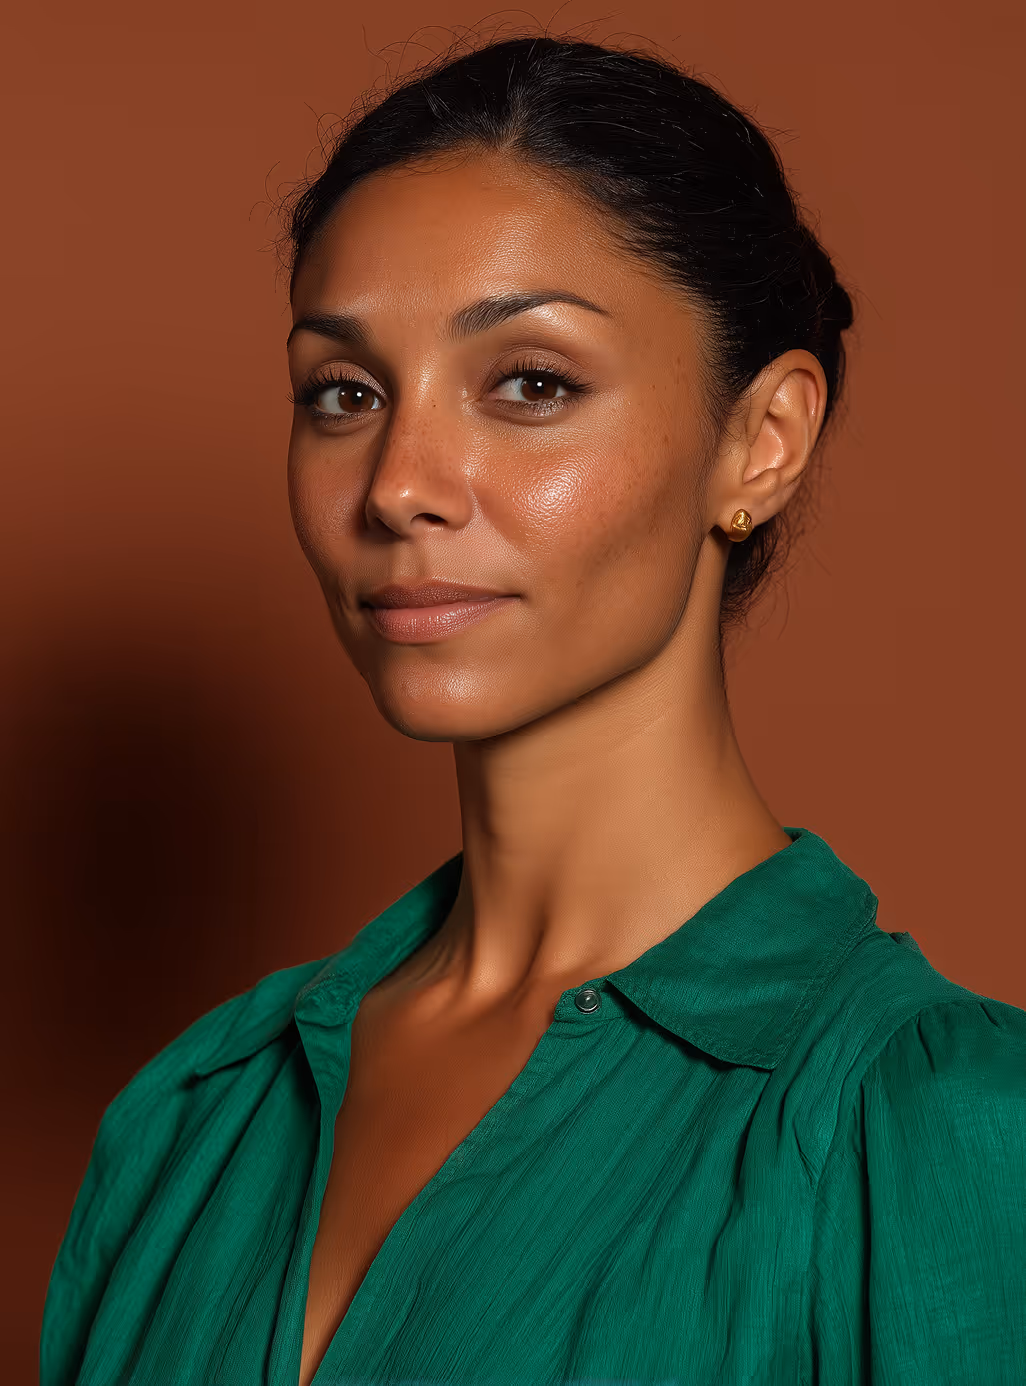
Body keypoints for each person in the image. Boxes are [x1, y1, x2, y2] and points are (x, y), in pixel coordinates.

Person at [41, 32, 1025, 1386]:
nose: (396, 483)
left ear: (761, 440)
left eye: (529, 384)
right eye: (343, 393)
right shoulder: (190, 1119)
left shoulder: (939, 1131)